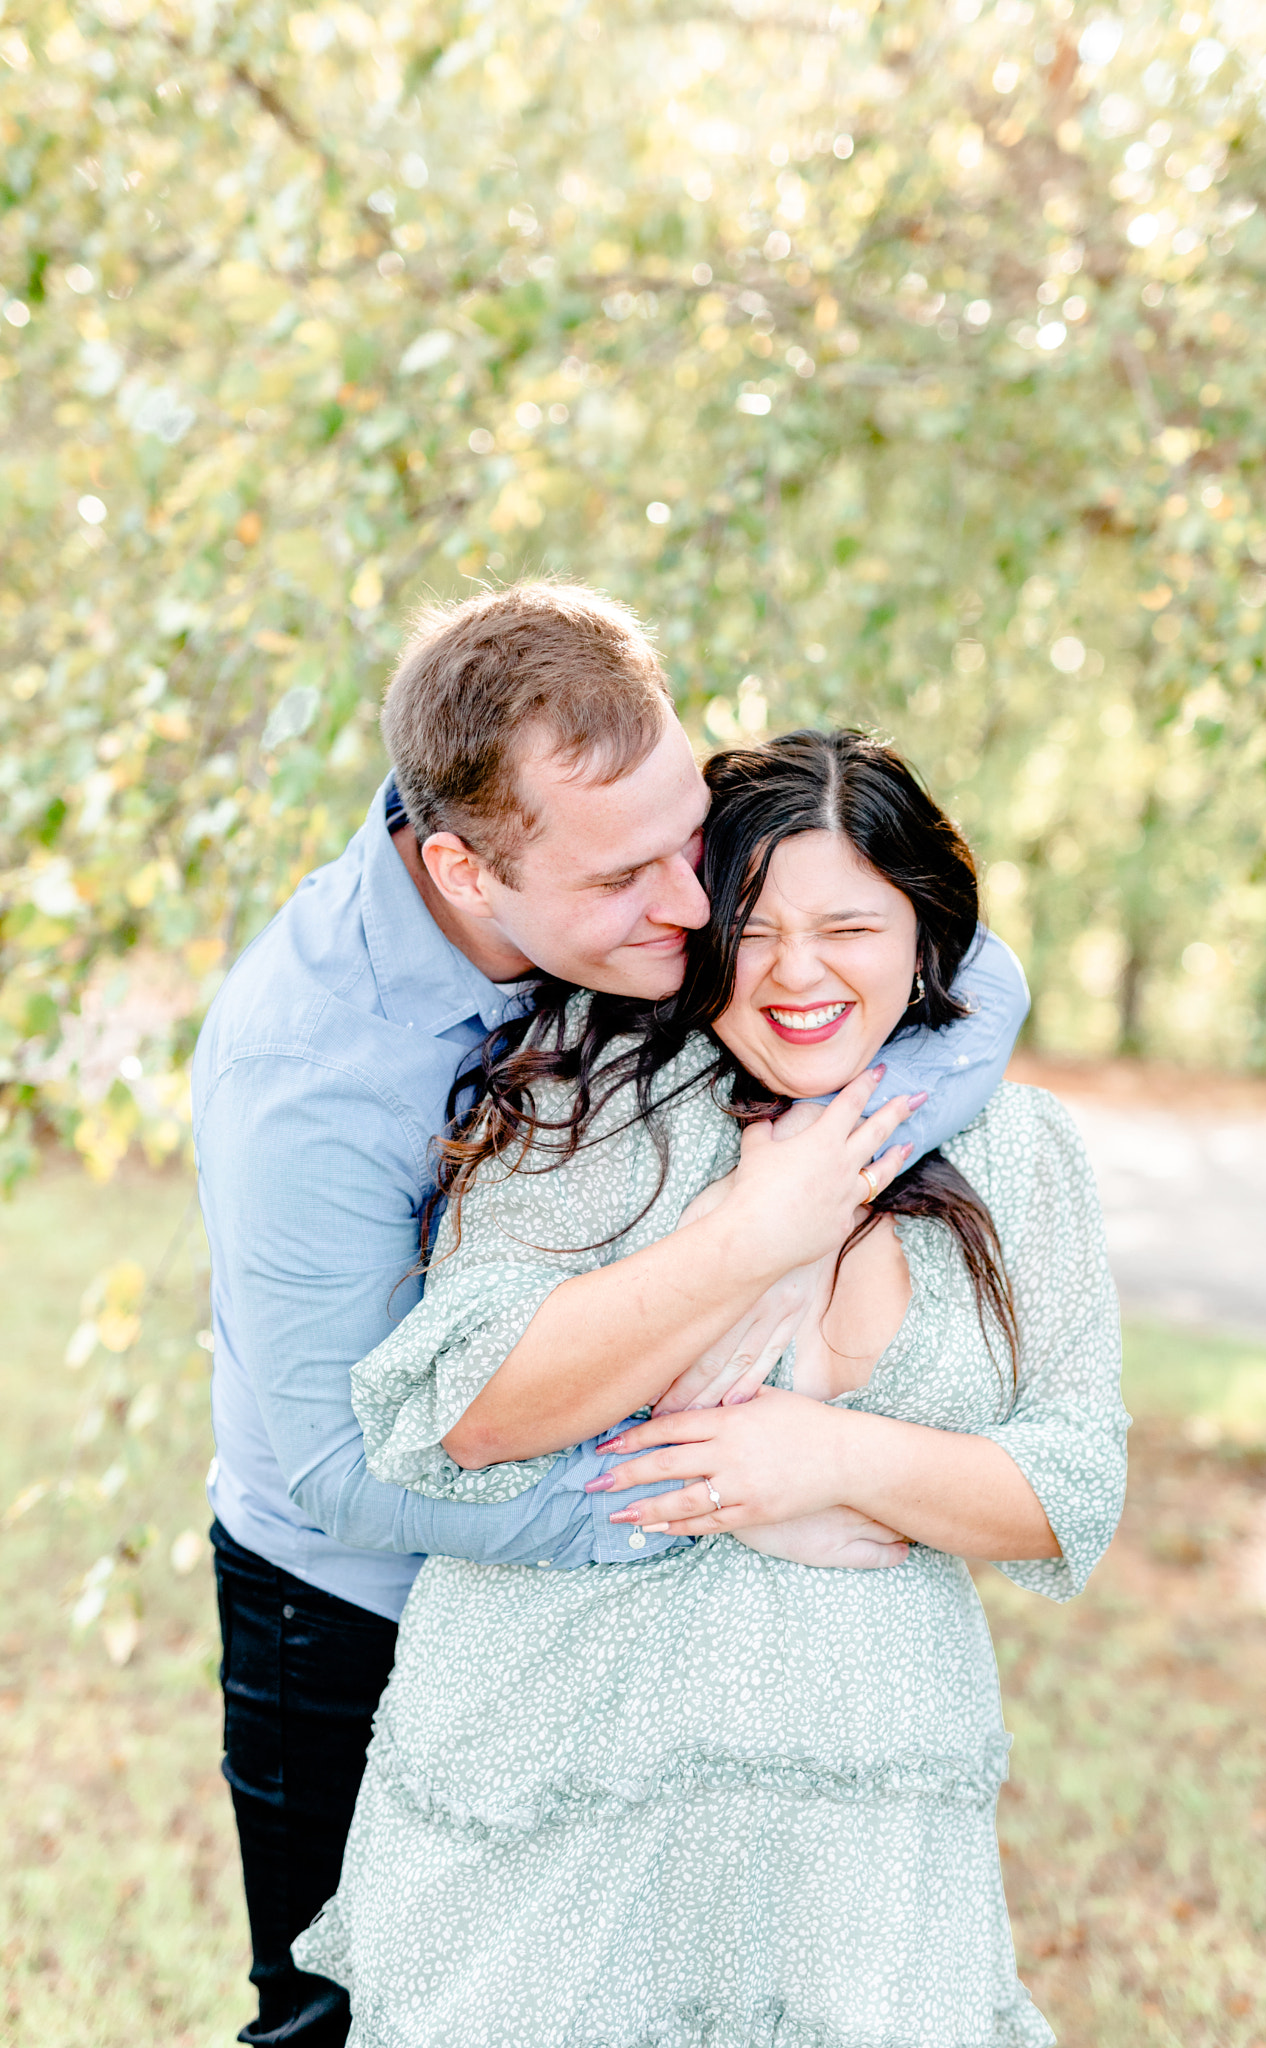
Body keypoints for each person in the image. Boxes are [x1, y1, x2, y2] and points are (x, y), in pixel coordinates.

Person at [193, 584, 1029, 2047]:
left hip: (614, 1621)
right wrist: (702, 1497)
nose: (696, 909)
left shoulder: (630, 855)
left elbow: (972, 971)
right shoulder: (304, 1079)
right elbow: (338, 1463)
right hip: (354, 1602)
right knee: (355, 2010)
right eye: (624, 880)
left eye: (684, 842)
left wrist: (818, 1182)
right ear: (461, 867)